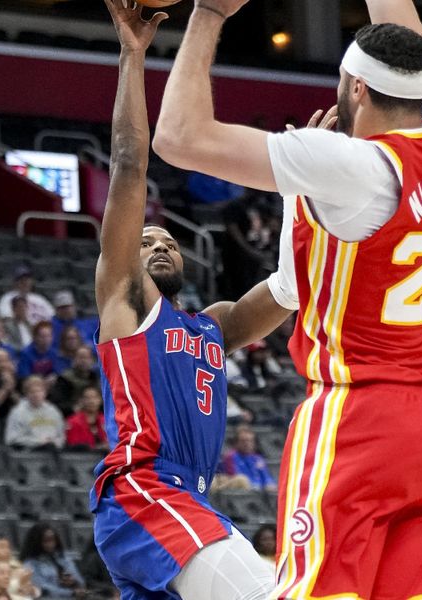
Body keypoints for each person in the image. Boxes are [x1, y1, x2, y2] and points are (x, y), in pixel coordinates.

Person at [155, 0, 422, 594]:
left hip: (359, 423)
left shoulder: (348, 162)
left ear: (356, 87)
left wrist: (208, 14)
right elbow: (404, 38)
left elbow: (177, 138)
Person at [91, 2, 296, 598]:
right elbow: (129, 165)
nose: (156, 243)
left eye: (167, 240)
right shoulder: (126, 302)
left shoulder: (212, 327)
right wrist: (133, 55)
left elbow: (288, 286)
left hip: (181, 505)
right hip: (146, 492)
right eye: (145, 239)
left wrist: (308, 187)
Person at [19, 523, 85, 599]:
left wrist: (74, 582)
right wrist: (71, 593)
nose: (51, 544)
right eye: (46, 541)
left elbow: (81, 581)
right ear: (37, 542)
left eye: (53, 539)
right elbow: (42, 589)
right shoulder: (30, 564)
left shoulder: (64, 558)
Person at [4, 376, 65, 451]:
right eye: (32, 392)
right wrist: (39, 441)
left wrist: (55, 442)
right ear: (26, 394)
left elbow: (61, 435)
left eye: (39, 391)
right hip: (29, 451)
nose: (36, 395)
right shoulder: (17, 412)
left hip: (53, 449)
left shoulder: (53, 411)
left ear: (45, 393)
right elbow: (12, 439)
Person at [216, 425, 277, 492]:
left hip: (260, 491)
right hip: (243, 492)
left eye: (250, 441)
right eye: (243, 441)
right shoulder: (230, 457)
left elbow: (267, 478)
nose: (247, 444)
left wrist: (270, 486)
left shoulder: (258, 458)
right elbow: (237, 478)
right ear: (236, 443)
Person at [49, 346, 100, 417]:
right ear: (74, 359)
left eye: (87, 358)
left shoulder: (96, 378)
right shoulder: (64, 379)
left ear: (92, 360)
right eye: (81, 357)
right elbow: (57, 404)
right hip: (71, 416)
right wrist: (72, 409)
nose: (84, 361)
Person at [65, 385, 107, 451]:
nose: (91, 401)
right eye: (87, 398)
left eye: (95, 397)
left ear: (101, 399)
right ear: (81, 400)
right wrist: (97, 448)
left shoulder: (107, 421)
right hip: (82, 459)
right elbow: (73, 446)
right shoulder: (73, 421)